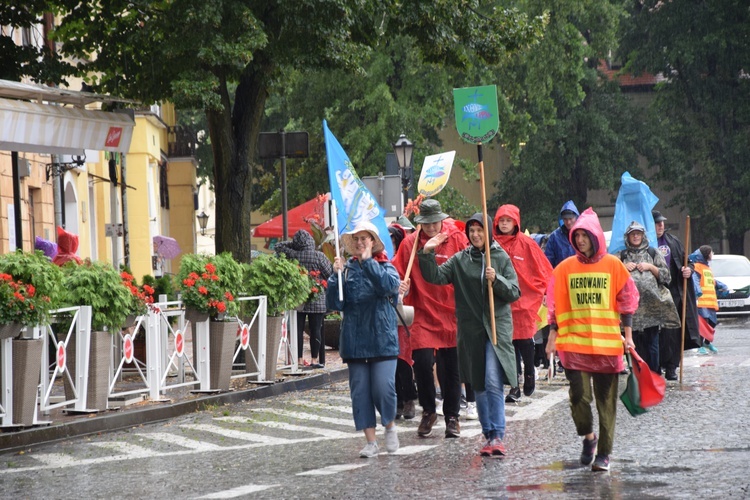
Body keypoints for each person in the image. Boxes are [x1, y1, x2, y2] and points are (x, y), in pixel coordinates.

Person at [418, 213, 520, 456]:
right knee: (480, 384)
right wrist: (427, 252)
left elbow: (514, 291)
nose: (475, 235)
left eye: (480, 230)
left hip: (496, 328)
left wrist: (497, 280)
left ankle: (497, 435)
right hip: (471, 331)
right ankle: (488, 435)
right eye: (472, 230)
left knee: (493, 381)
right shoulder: (460, 260)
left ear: (488, 233)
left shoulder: (499, 257)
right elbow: (435, 277)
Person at [546, 208, 639, 472]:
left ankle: (604, 454)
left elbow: (628, 301)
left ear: (596, 236)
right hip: (574, 345)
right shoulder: (564, 268)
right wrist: (552, 335)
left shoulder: (613, 265)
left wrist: (628, 337)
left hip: (607, 346)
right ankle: (589, 438)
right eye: (577, 236)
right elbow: (553, 303)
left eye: (585, 236)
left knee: (606, 404)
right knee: (578, 397)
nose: (580, 240)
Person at [393, 199, 468, 439]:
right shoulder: (409, 244)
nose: (432, 228)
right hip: (423, 311)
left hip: (451, 312)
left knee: (451, 368)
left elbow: (469, 266)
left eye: (435, 222)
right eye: (427, 223)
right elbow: (395, 272)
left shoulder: (456, 239)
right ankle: (428, 410)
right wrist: (399, 286)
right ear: (420, 223)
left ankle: (452, 416)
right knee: (423, 363)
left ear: (442, 220)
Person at [326, 221, 401, 458]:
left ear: (373, 242)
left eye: (364, 239)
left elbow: (389, 287)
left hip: (382, 339)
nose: (360, 243)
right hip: (355, 340)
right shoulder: (347, 269)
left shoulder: (386, 266)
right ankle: (370, 441)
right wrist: (334, 278)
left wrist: (369, 263)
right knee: (360, 392)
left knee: (383, 388)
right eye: (356, 239)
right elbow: (336, 304)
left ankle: (389, 424)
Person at [493, 204, 552, 401]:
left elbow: (544, 268)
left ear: (515, 222)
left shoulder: (527, 243)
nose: (504, 224)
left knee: (525, 340)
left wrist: (546, 292)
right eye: (501, 220)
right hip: (503, 301)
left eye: (508, 220)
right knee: (508, 344)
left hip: (524, 300)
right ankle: (514, 384)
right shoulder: (491, 244)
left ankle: (529, 373)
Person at [619, 221, 680, 373]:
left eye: (638, 233)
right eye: (633, 234)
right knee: (631, 343)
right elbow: (611, 277)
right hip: (630, 310)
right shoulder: (621, 256)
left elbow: (667, 277)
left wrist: (651, 267)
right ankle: (636, 372)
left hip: (651, 309)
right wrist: (622, 267)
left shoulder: (653, 253)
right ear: (628, 236)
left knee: (652, 343)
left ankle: (654, 372)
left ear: (643, 235)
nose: (635, 236)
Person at [653, 210, 701, 380]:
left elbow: (688, 262)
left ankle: (672, 366)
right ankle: (656, 365)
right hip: (653, 295)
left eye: (662, 222)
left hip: (674, 293)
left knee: (673, 333)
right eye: (657, 223)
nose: (661, 225)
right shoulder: (646, 243)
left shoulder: (673, 241)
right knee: (656, 333)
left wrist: (689, 269)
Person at [275, 229, 333, 368]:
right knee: (316, 330)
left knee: (298, 330)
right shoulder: (319, 256)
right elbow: (329, 274)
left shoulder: (293, 254)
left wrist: (294, 245)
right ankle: (314, 360)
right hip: (317, 297)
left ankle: (299, 359)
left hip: (298, 298)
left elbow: (278, 246)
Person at [389, 223, 418, 420]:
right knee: (391, 362)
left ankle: (408, 399)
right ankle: (397, 400)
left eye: (393, 240)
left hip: (404, 317)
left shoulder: (407, 260)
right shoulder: (382, 261)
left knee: (403, 360)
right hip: (387, 317)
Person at [689, 245, 727, 354]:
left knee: (712, 323)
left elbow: (712, 281)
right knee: (703, 325)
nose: (712, 254)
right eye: (711, 252)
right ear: (706, 254)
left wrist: (722, 286)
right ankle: (700, 345)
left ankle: (707, 342)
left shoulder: (707, 268)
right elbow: (695, 280)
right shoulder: (696, 267)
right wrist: (697, 292)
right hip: (701, 302)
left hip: (710, 302)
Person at [544, 200, 580, 268]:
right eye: (565, 219)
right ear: (562, 219)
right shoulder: (554, 237)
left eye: (570, 218)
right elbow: (548, 262)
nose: (568, 222)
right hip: (560, 275)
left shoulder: (583, 234)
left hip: (578, 276)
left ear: (576, 217)